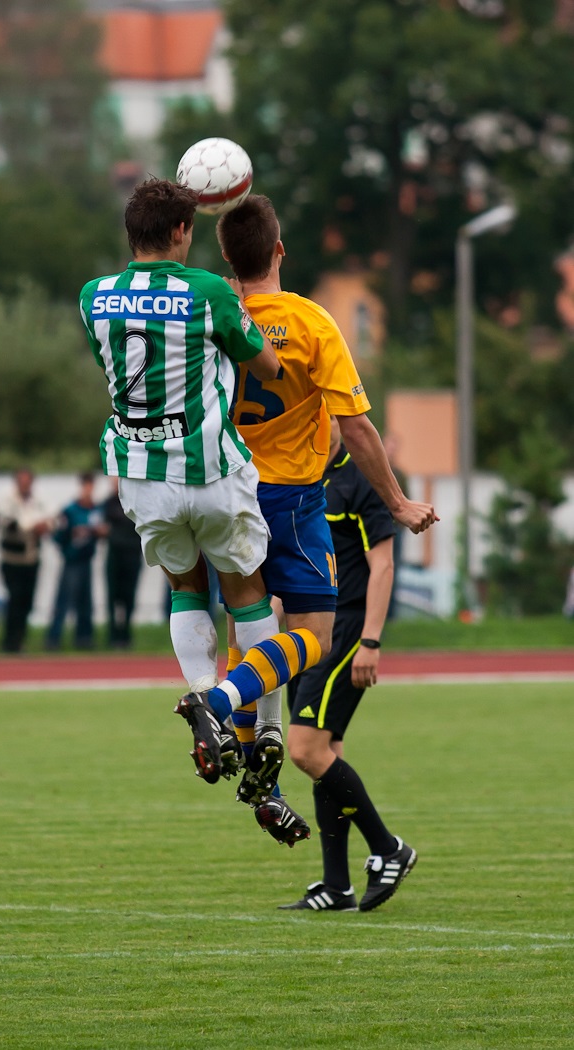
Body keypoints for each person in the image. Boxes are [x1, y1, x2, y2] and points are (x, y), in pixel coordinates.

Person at [78, 178, 329, 801]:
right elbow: (266, 366)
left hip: (141, 474)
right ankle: (253, 725)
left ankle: (200, 698)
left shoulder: (93, 297)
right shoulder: (210, 291)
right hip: (212, 471)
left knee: (185, 588)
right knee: (249, 597)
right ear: (183, 233)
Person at [216, 195, 437, 843]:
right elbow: (357, 427)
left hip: (227, 498)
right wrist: (397, 502)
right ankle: (222, 705)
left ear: (227, 260)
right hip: (290, 499)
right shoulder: (311, 322)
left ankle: (260, 769)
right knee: (311, 636)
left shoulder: (216, 317)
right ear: (279, 251)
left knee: (252, 631)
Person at [275, 420, 416, 912]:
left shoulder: (364, 479)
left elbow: (383, 564)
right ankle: (337, 885)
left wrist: (371, 642)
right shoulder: (300, 476)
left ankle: (388, 848)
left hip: (347, 630)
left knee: (306, 749)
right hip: (306, 633)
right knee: (324, 753)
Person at [45, 473, 106, 651]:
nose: (88, 490)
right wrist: (68, 544)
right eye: (86, 486)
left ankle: (84, 637)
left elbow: (100, 532)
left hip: (87, 559)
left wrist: (97, 533)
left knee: (86, 601)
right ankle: (53, 638)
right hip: (72, 560)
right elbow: (58, 535)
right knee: (64, 599)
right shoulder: (70, 510)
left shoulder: (96, 510)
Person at [0, 467, 52, 653]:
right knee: (14, 599)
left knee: (27, 601)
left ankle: (20, 639)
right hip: (12, 559)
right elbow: (8, 524)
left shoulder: (37, 501)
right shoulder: (7, 501)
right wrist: (31, 528)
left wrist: (44, 526)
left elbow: (49, 520)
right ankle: (9, 641)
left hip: (31, 559)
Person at [103, 479, 143, 649]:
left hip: (133, 554)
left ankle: (126, 634)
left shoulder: (137, 501)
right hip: (115, 554)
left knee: (129, 596)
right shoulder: (108, 503)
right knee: (113, 596)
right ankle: (113, 635)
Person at [382, 432, 408, 621]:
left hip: (396, 529)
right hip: (377, 528)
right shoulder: (373, 469)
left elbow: (406, 499)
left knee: (393, 569)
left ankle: (391, 614)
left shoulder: (400, 474)